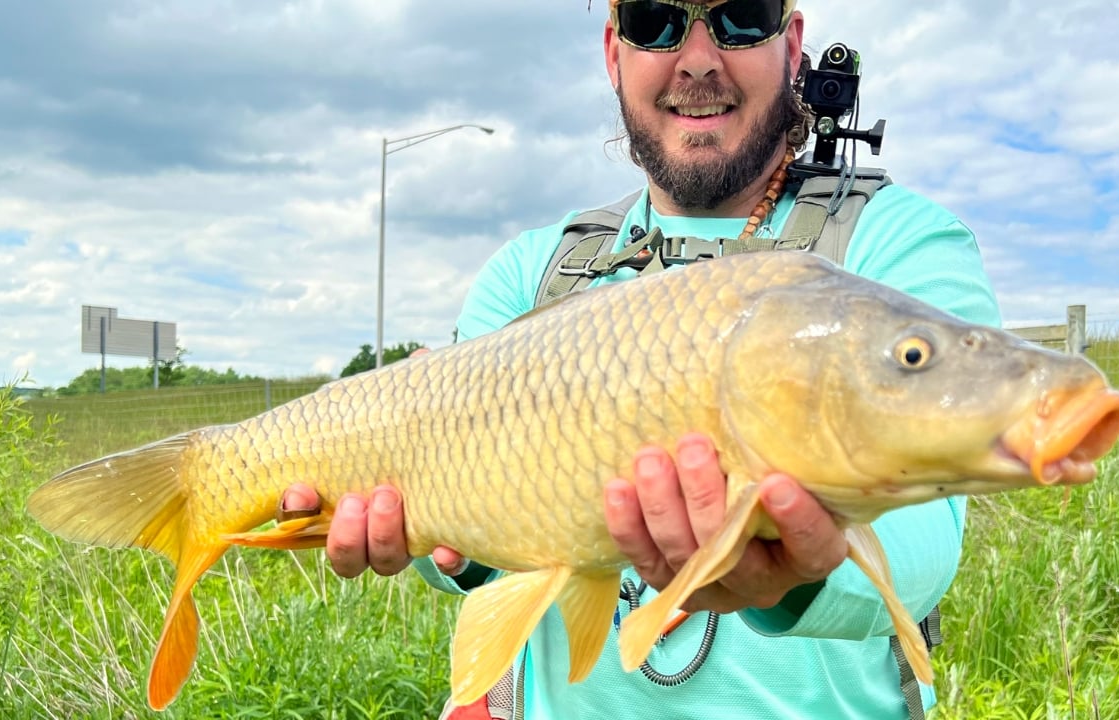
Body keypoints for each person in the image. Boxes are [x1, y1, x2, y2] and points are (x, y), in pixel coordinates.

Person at [282, 0, 1001, 717]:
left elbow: (922, 552)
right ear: (613, 51)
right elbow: (467, 562)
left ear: (792, 42)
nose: (696, 59)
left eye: (740, 16)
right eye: (656, 20)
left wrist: (794, 572)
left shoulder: (897, 243)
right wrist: (451, 548)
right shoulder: (531, 271)